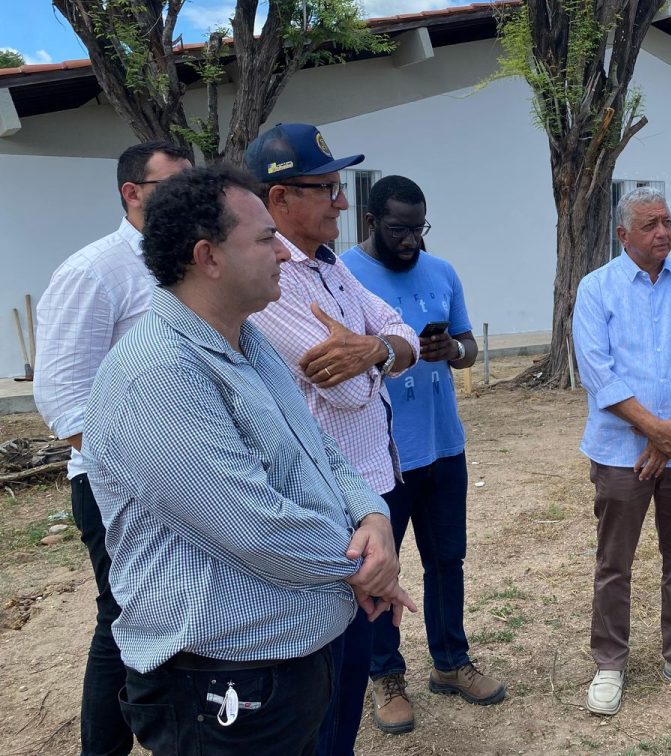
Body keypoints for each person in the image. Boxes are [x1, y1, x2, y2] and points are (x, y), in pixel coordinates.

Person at [81, 166, 415, 756]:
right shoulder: (156, 372)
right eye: (265, 240)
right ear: (208, 257)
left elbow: (322, 451)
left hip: (287, 652)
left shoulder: (244, 339)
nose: (283, 256)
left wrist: (375, 519)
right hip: (218, 677)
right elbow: (250, 525)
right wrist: (366, 566)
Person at [243, 123, 420, 756]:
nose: (341, 203)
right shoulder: (271, 283)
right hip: (332, 504)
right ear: (278, 199)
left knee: (353, 652)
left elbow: (402, 334)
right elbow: (343, 390)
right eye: (326, 189)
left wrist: (373, 349)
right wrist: (382, 355)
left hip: (376, 482)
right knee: (328, 662)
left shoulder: (332, 265)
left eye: (340, 187)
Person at [33, 140, 193, 756]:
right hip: (114, 484)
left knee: (172, 617)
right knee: (121, 619)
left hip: (189, 477)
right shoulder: (93, 272)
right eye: (172, 189)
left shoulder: (186, 261)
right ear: (132, 194)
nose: (189, 200)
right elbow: (64, 399)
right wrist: (139, 467)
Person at [341, 174, 505, 734]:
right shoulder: (343, 276)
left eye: (419, 228)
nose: (411, 240)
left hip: (443, 446)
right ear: (370, 222)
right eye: (398, 229)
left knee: (447, 561)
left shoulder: (443, 272)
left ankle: (451, 663)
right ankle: (385, 677)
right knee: (381, 568)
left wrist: (451, 348)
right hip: (380, 455)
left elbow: (469, 346)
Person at [572, 186, 671, 716]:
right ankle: (610, 661)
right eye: (650, 224)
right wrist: (654, 432)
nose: (663, 232)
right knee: (615, 561)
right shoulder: (596, 290)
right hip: (620, 452)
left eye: (667, 221)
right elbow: (597, 372)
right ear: (623, 234)